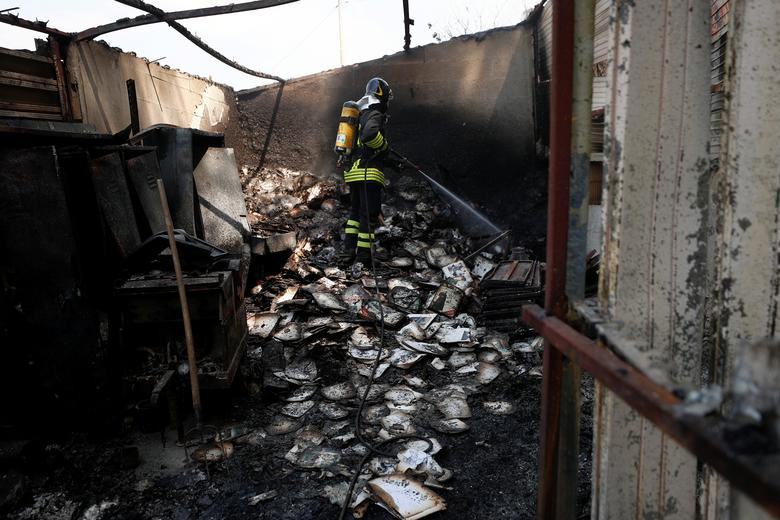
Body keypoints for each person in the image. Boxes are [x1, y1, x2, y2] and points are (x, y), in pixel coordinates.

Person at [341, 77, 395, 265]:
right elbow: (370, 135)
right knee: (369, 215)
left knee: (355, 214)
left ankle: (348, 252)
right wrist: (384, 146)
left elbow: (365, 147)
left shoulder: (358, 116)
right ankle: (364, 257)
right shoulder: (375, 114)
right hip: (368, 174)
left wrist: (392, 162)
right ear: (383, 94)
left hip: (354, 173)